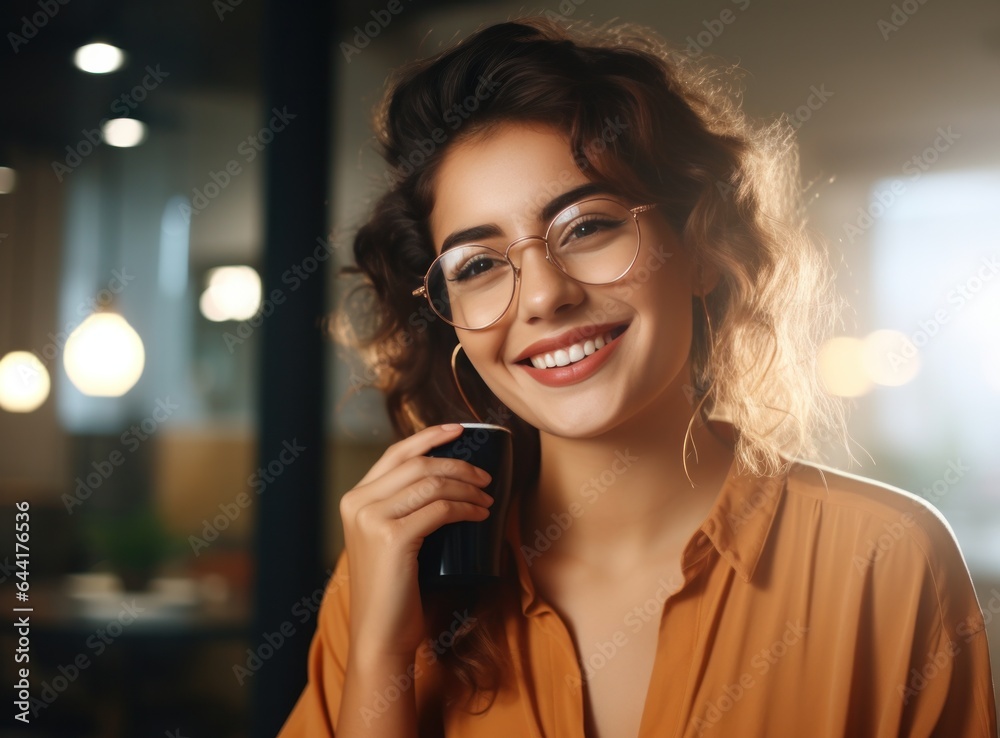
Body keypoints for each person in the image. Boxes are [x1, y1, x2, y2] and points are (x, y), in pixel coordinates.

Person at [277, 17, 997, 737]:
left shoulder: (888, 561)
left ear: (701, 247)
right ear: (451, 318)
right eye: (478, 266)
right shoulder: (389, 578)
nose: (542, 296)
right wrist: (381, 655)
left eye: (587, 226)